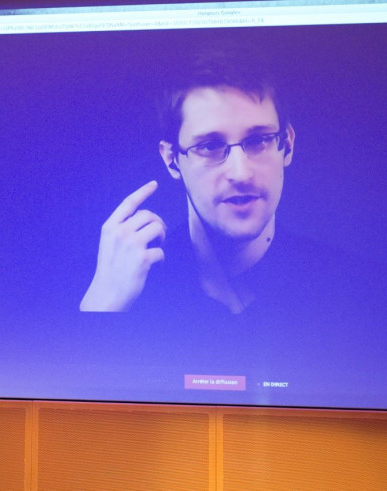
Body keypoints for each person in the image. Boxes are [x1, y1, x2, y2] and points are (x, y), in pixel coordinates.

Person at [80, 43, 297, 314]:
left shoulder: (354, 286)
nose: (241, 173)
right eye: (209, 146)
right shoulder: (113, 286)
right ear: (171, 159)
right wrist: (103, 304)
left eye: (259, 140)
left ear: (286, 145)